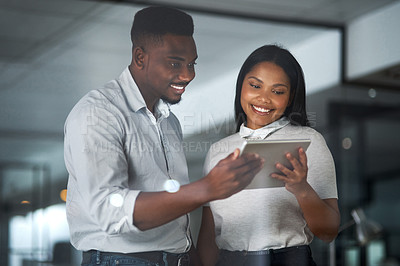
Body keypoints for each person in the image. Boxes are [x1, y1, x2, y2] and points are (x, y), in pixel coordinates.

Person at [63, 6, 264, 266]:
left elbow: (172, 209)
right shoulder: (98, 113)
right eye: (175, 63)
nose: (188, 75)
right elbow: (109, 212)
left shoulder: (169, 121)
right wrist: (206, 188)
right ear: (139, 58)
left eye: (191, 63)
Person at [197, 44, 340, 266]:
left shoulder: (308, 142)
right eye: (255, 85)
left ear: (290, 96)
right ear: (241, 85)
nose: (264, 99)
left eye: (277, 91)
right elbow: (208, 236)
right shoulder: (219, 151)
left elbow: (329, 231)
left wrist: (302, 189)